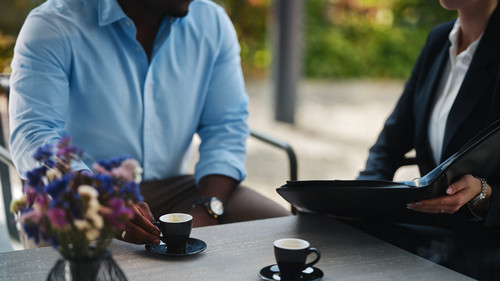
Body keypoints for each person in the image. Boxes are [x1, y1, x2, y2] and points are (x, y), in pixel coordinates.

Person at [9, 0, 290, 247]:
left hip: (176, 190)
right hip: (76, 194)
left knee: (284, 229)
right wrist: (100, 197)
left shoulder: (212, 22)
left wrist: (208, 208)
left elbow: (226, 127)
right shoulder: (52, 24)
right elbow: (35, 135)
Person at [354, 0, 500, 279]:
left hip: (488, 239)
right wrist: (358, 201)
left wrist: (484, 193)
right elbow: (391, 141)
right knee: (332, 233)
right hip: (436, 228)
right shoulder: (438, 40)